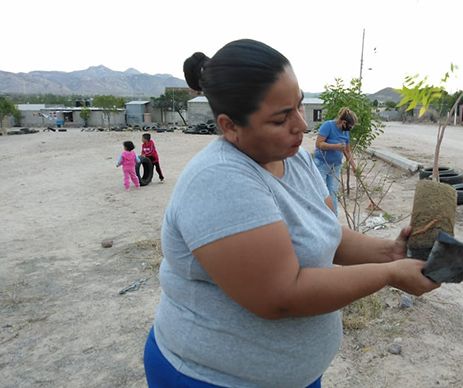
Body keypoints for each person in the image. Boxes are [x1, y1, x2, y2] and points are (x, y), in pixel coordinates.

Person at [143, 39, 439, 388]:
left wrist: (390, 251)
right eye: (282, 118)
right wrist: (389, 274)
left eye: (298, 107)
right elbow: (281, 296)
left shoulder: (292, 156)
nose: (301, 125)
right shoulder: (220, 180)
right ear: (230, 126)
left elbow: (326, 232)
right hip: (212, 379)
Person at [313, 107, 358, 215]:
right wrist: (335, 146)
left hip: (335, 167)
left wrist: (354, 166)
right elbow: (319, 144)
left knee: (333, 193)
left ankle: (333, 218)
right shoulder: (328, 126)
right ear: (343, 122)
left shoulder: (345, 132)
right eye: (350, 126)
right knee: (321, 193)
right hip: (321, 165)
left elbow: (347, 151)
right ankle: (321, 217)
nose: (350, 129)